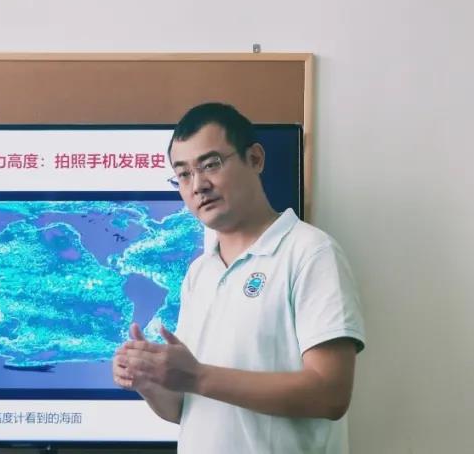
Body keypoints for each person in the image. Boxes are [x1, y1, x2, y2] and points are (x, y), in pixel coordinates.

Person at [112, 102, 366, 453]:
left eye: (211, 165)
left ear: (255, 159)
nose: (198, 185)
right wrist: (149, 381)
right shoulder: (199, 273)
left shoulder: (310, 252)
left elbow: (330, 394)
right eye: (183, 174)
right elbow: (185, 409)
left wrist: (198, 376)